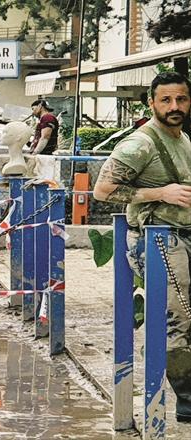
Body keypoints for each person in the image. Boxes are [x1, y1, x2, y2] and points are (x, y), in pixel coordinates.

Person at [94, 71, 191, 423]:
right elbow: (102, 191)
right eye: (166, 100)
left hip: (181, 235)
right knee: (177, 317)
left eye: (180, 99)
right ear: (151, 103)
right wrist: (159, 193)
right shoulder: (140, 144)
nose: (174, 106)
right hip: (158, 240)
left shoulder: (182, 139)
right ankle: (186, 396)